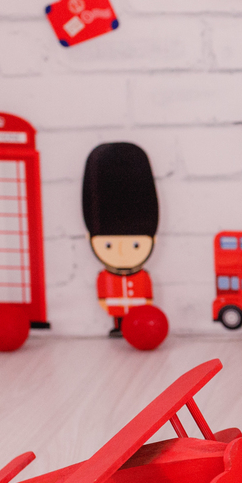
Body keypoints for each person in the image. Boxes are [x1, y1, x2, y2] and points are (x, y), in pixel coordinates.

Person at [82, 142, 159, 337]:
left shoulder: (142, 277)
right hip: (117, 311)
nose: (122, 253)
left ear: (153, 240)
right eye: (108, 245)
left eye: (135, 245)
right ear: (89, 239)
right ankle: (119, 327)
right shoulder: (105, 277)